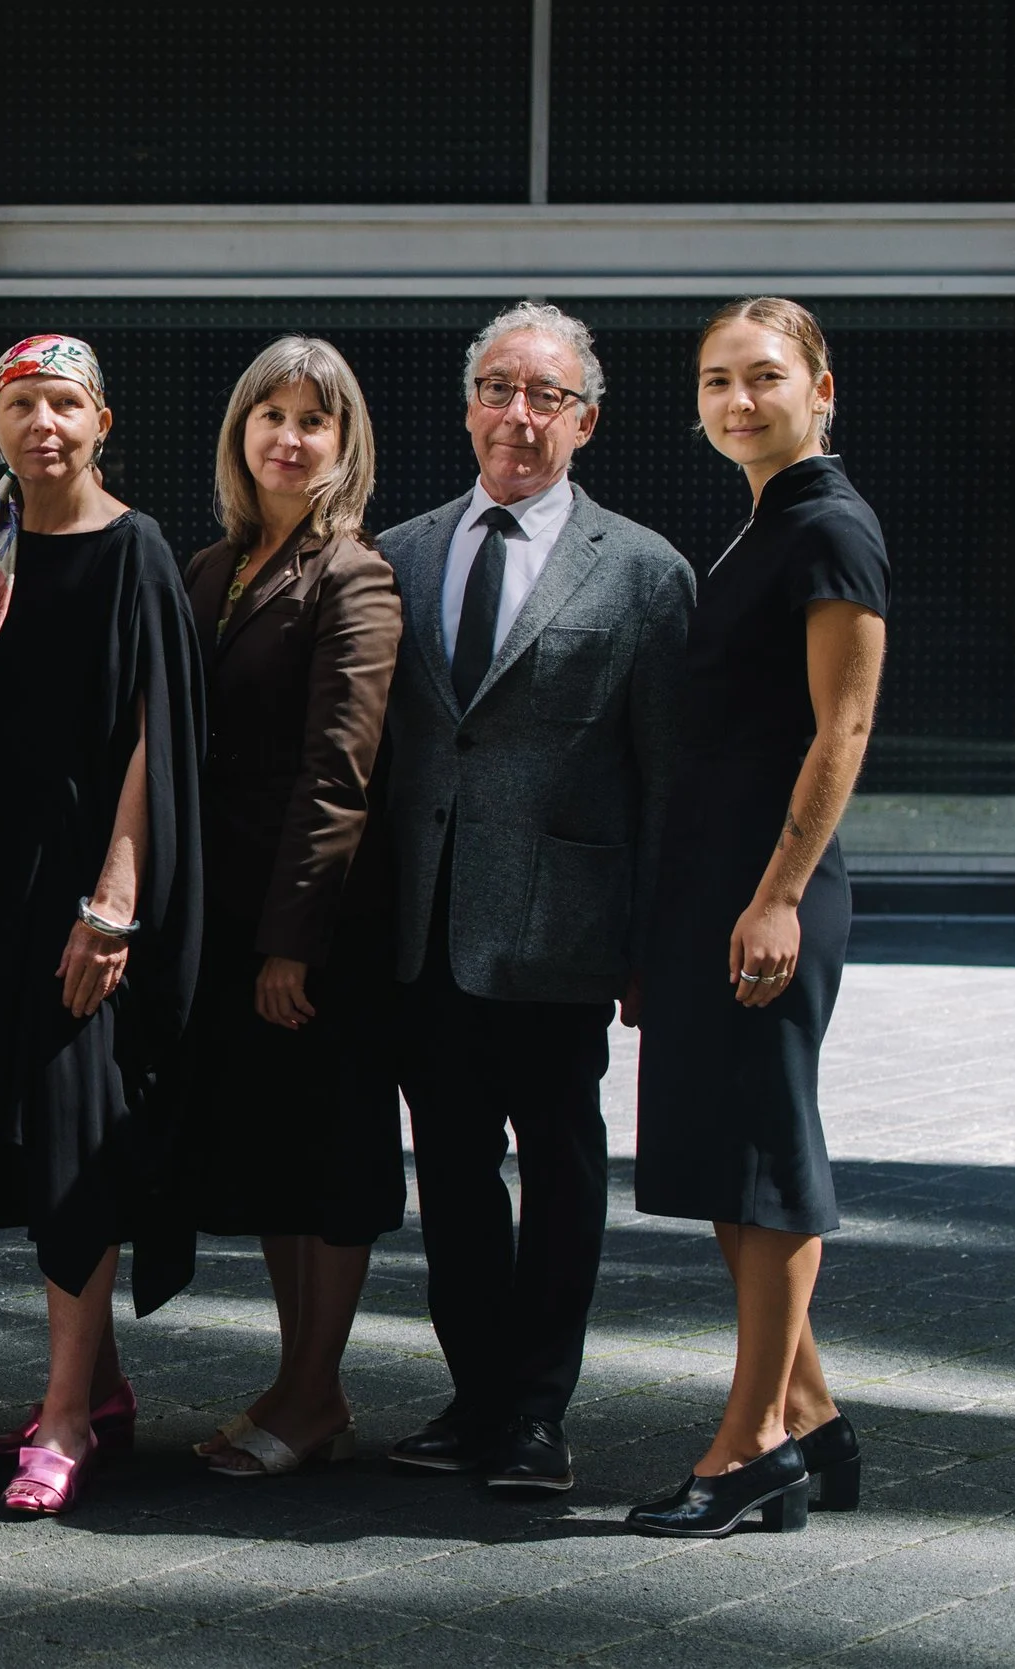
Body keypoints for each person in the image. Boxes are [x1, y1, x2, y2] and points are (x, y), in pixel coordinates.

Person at [378, 302, 693, 1495]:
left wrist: (651, 948)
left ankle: (535, 1414)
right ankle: (475, 1397)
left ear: (585, 421)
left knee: (559, 1171)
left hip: (562, 928)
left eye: (545, 396)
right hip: (424, 926)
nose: (518, 415)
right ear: (467, 407)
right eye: (497, 390)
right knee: (452, 1174)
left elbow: (667, 774)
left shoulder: (644, 572)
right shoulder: (399, 553)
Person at [626, 299, 887, 1539]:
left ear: (819, 389)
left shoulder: (827, 524)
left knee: (769, 1163)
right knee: (729, 1165)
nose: (738, 399)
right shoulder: (763, 522)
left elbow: (845, 725)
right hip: (716, 891)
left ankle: (751, 1447)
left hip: (769, 891)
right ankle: (814, 1416)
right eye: (716, 380)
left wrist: (777, 893)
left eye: (765, 376)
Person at [0, 334, 205, 1517]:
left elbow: (159, 734)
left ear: (102, 421)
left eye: (64, 403)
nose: (42, 424)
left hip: (86, 896)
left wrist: (113, 903)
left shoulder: (134, 548)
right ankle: (97, 1391)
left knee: (72, 1149)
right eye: (21, 404)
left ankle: (61, 1421)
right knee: (14, 1144)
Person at [178, 338, 404, 1480]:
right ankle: (299, 1382)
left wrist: (291, 943)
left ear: (343, 443)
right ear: (241, 431)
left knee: (328, 1159)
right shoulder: (213, 565)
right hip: (228, 913)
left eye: (315, 419)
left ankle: (315, 1390)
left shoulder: (354, 576)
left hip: (316, 927)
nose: (289, 437)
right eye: (270, 414)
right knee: (276, 1154)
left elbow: (338, 773)